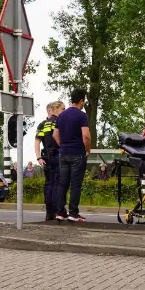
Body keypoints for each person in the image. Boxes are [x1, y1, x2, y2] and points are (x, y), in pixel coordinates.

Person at [53, 88, 91, 222]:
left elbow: (55, 135)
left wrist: (62, 145)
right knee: (75, 184)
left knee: (62, 184)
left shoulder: (61, 115)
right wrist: (87, 150)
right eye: (84, 101)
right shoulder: (82, 115)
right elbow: (85, 135)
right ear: (81, 101)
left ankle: (60, 212)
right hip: (77, 154)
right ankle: (73, 213)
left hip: (63, 153)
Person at [34, 101, 62, 221]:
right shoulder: (58, 122)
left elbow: (37, 141)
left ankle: (49, 212)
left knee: (49, 184)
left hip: (46, 157)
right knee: (57, 184)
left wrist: (39, 157)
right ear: (52, 110)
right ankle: (57, 210)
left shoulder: (42, 125)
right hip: (58, 156)